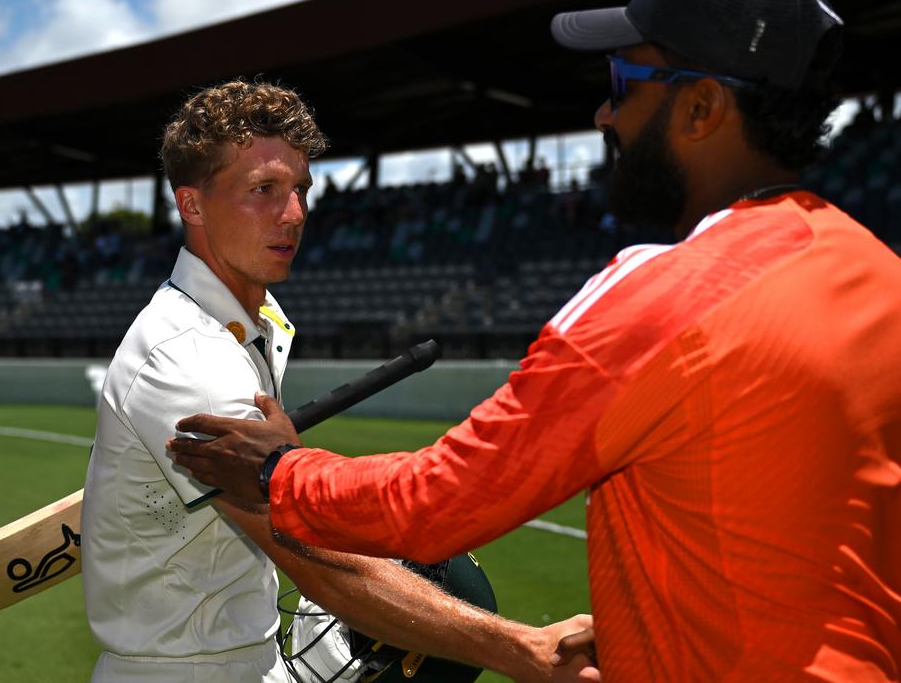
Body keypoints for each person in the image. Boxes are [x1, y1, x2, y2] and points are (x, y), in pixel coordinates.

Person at [167, 0, 901, 680]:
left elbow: (440, 502)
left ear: (702, 106)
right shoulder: (894, 284)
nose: (604, 113)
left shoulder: (667, 297)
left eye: (624, 81)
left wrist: (279, 474)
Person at [80, 79, 590, 683]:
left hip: (242, 660)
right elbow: (318, 562)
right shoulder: (187, 357)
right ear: (192, 205)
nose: (293, 214)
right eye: (263, 190)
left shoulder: (251, 324)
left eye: (300, 190)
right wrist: (520, 648)